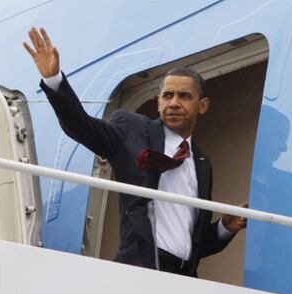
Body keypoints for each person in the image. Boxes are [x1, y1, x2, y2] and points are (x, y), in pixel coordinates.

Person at [23, 27, 247, 277]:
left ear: (202, 105)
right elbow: (81, 127)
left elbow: (193, 241)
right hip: (139, 270)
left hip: (184, 280)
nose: (174, 103)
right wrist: (54, 81)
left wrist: (225, 228)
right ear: (158, 101)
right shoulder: (133, 129)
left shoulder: (202, 162)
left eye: (184, 96)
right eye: (167, 95)